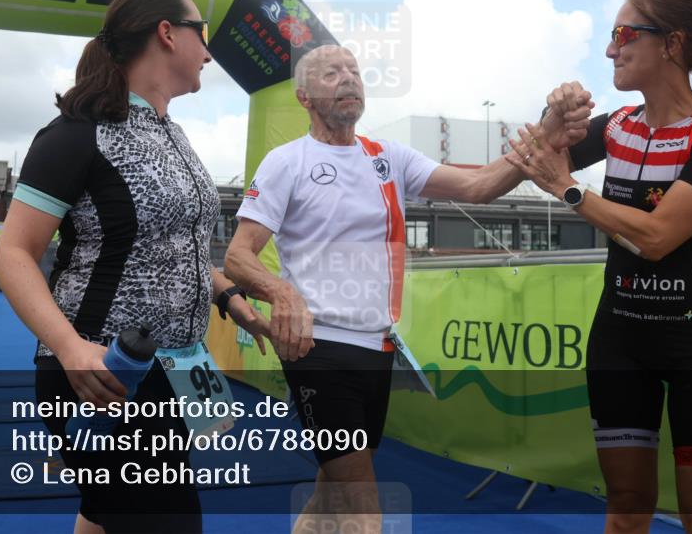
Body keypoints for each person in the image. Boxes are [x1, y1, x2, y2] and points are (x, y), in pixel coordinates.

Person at [223, 43, 594, 532]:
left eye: (354, 71)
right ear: (304, 97)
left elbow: (479, 185)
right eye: (332, 73)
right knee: (362, 502)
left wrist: (546, 132)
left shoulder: (387, 157)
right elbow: (237, 255)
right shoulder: (286, 161)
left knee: (334, 488)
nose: (349, 78)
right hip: (319, 349)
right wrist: (284, 295)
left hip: (376, 345)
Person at [0, 0, 270, 534]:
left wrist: (226, 293)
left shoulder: (175, 133)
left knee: (104, 513)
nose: (211, 52)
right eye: (202, 34)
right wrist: (72, 350)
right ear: (167, 34)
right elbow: (12, 254)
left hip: (177, 365)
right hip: (104, 373)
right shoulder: (75, 134)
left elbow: (172, 244)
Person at [507, 0, 692, 534]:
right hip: (622, 341)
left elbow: (659, 237)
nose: (610, 49)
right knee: (625, 508)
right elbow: (522, 161)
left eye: (622, 34)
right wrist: (554, 115)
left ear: (671, 43)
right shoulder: (618, 125)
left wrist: (571, 191)